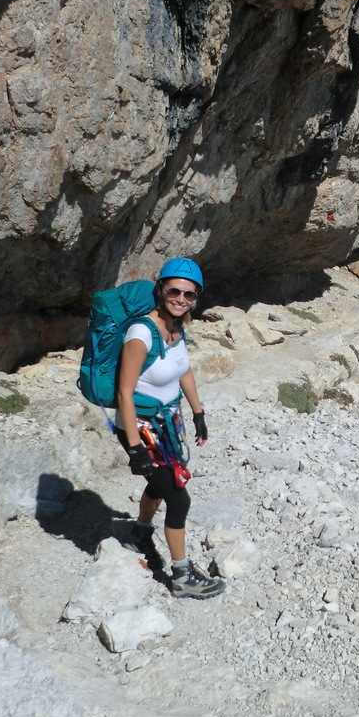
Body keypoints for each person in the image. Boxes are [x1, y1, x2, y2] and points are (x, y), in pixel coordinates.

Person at [114, 257, 225, 599]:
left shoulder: (176, 328)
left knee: (160, 483)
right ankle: (181, 576)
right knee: (179, 499)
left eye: (189, 294)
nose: (180, 299)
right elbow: (124, 392)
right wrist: (135, 447)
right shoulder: (141, 333)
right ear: (161, 290)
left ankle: (139, 534)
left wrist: (198, 412)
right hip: (141, 428)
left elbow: (183, 370)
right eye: (174, 291)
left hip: (166, 426)